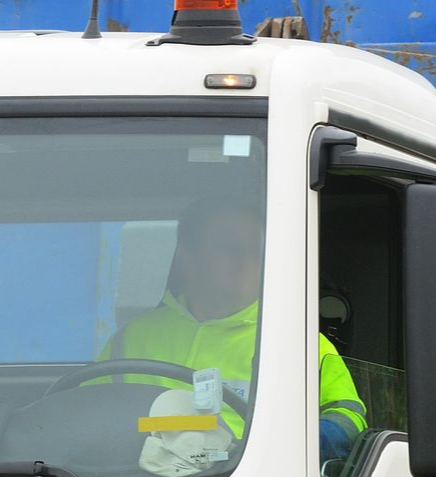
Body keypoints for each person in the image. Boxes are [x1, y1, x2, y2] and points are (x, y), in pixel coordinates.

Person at [103, 196, 367, 463]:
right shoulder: (132, 337)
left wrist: (304, 445)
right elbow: (88, 411)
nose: (245, 260)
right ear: (187, 256)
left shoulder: (298, 341)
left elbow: (348, 416)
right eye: (228, 248)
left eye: (254, 249)